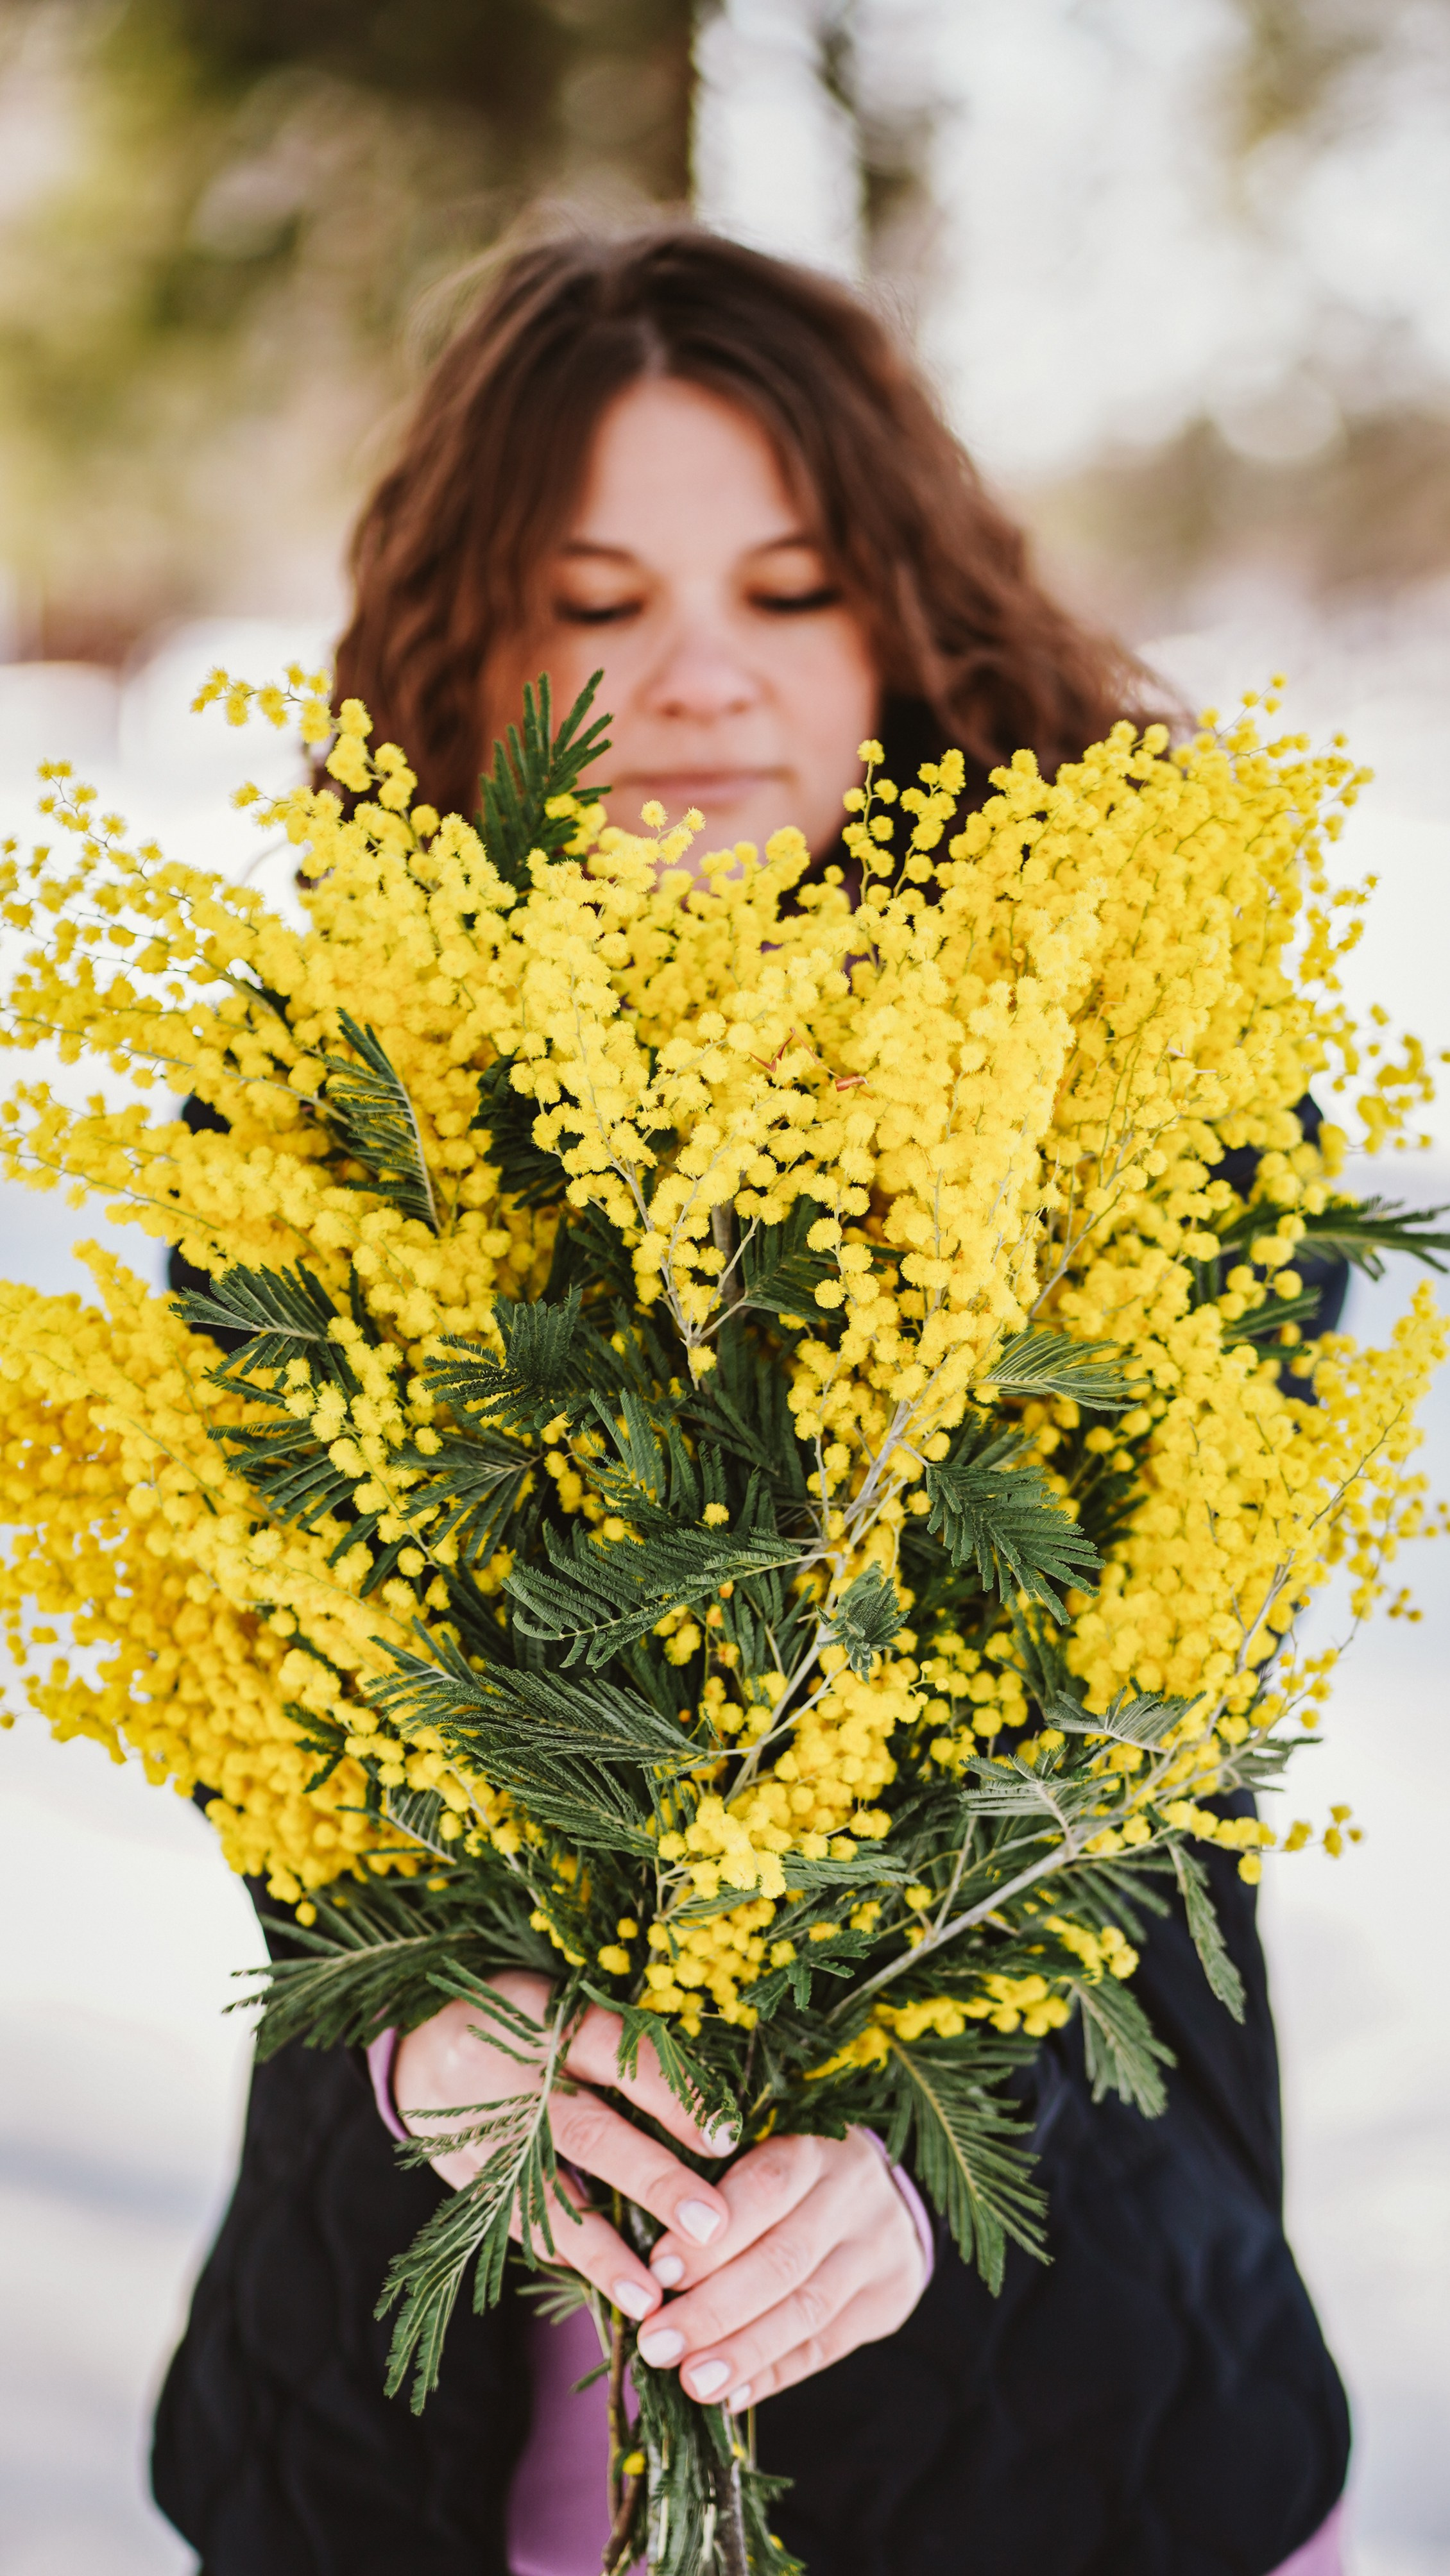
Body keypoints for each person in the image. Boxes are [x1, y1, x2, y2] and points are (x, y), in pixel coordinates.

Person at [152, 224, 1351, 2576]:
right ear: (469, 656)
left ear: (905, 622)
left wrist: (919, 2130)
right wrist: (430, 2042)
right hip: (448, 2428)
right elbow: (270, 1736)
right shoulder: (314, 1128)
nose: (695, 680)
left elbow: (1132, 1790)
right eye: (596, 600)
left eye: (789, 592)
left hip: (1066, 2388)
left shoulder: (1149, 1094)